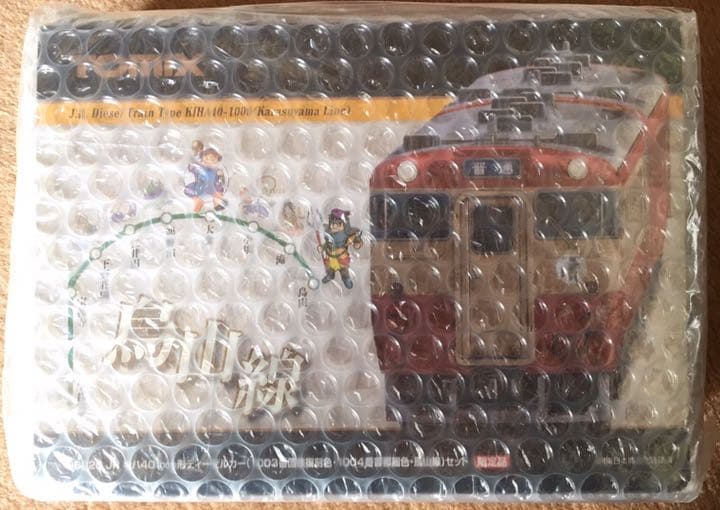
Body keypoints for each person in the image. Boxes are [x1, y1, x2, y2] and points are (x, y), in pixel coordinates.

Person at [321, 209, 363, 289]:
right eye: (333, 224)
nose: (335, 226)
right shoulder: (328, 233)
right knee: (329, 268)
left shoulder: (346, 233)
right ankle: (330, 275)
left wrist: (357, 243)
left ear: (344, 224)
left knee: (343, 270)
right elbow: (327, 243)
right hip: (330, 255)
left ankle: (346, 279)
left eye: (338, 224)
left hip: (341, 256)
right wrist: (322, 247)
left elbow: (356, 239)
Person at [184, 140, 227, 213]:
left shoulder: (216, 170)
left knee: (218, 193)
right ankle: (197, 204)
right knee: (188, 190)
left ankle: (217, 204)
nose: (209, 161)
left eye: (212, 159)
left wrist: (219, 186)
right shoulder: (199, 168)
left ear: (217, 161)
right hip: (200, 186)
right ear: (202, 159)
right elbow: (192, 167)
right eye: (206, 159)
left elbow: (219, 181)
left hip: (212, 188)